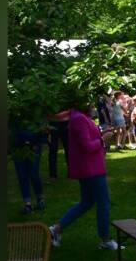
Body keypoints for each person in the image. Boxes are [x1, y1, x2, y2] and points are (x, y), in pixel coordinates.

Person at [49, 96, 120, 250]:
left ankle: (56, 229)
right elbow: (87, 146)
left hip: (88, 168)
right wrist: (103, 139)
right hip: (91, 169)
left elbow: (86, 138)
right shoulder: (79, 118)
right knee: (104, 203)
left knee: (86, 203)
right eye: (89, 101)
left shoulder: (79, 116)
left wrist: (102, 132)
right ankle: (105, 239)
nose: (92, 104)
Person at [10, 124, 46, 214]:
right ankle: (28, 203)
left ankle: (40, 199)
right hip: (17, 146)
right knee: (22, 175)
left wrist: (37, 140)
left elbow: (41, 125)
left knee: (34, 173)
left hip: (34, 145)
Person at [47, 108, 70, 184]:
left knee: (68, 149)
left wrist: (61, 115)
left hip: (65, 123)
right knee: (52, 150)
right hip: (53, 124)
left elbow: (71, 108)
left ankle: (71, 172)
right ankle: (52, 175)